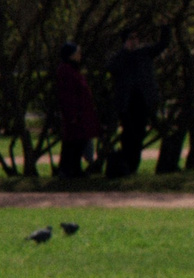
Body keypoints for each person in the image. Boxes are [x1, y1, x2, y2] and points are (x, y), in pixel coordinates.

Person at [105, 28, 167, 179]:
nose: (135, 41)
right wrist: (126, 52)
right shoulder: (120, 58)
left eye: (136, 38)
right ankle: (126, 165)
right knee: (128, 135)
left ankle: (133, 165)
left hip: (142, 102)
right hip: (127, 104)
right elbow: (111, 68)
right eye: (131, 38)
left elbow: (162, 45)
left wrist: (165, 28)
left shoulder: (144, 54)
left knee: (138, 135)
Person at [51, 41, 103, 179]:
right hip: (76, 114)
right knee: (73, 142)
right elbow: (68, 95)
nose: (80, 56)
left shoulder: (72, 70)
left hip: (82, 112)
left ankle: (73, 168)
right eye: (77, 53)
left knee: (79, 141)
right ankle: (68, 169)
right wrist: (72, 114)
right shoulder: (66, 71)